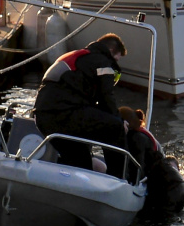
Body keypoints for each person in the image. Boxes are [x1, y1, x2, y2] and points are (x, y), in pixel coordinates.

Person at [34, 33, 131, 177]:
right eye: (115, 60)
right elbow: (106, 98)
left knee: (81, 159)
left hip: (43, 117)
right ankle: (119, 178)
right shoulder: (103, 62)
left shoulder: (80, 58)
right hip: (64, 113)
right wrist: (120, 121)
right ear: (111, 51)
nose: (114, 66)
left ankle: (72, 184)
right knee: (115, 127)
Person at [119, 106, 184, 210]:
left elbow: (138, 168)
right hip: (172, 185)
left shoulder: (136, 138)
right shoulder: (140, 134)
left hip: (169, 190)